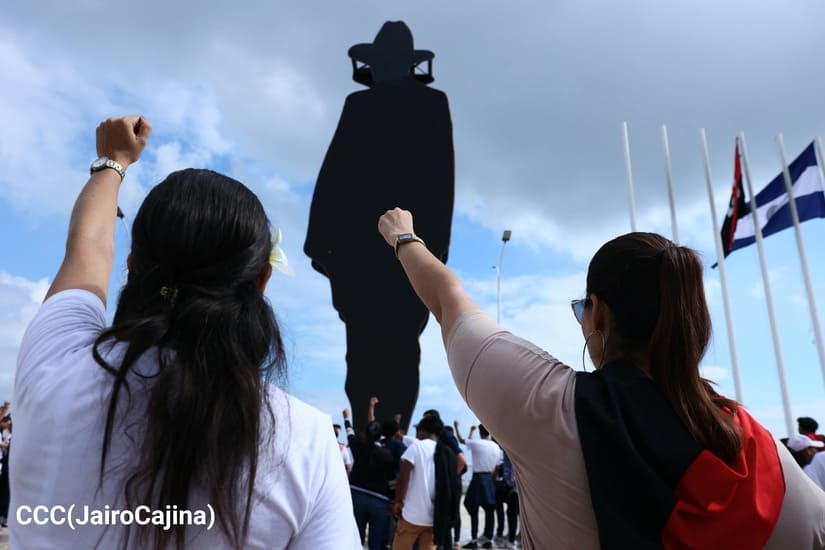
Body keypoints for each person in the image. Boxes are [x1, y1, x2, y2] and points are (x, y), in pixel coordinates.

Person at [377, 208, 825, 549]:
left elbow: (447, 299)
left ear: (600, 315)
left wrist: (403, 237)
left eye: (582, 309)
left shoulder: (550, 408)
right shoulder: (760, 452)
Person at [11, 116, 360, 549]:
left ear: (132, 265)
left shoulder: (55, 363)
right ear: (262, 281)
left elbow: (88, 246)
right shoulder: (305, 440)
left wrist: (113, 161)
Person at [304, 20, 454, 432]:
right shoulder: (366, 104)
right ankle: (378, 436)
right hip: (379, 253)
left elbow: (439, 180)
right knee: (378, 350)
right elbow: (336, 174)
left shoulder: (421, 104)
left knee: (385, 349)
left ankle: (386, 435)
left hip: (389, 251)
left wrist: (323, 244)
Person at [343, 407, 395, 550]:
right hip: (380, 500)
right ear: (380, 436)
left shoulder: (358, 447)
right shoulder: (387, 455)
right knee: (376, 542)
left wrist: (346, 419)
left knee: (354, 538)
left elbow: (350, 434)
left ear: (365, 433)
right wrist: (393, 499)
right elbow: (391, 481)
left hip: (356, 495)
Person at [391, 414, 443, 549]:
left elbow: (404, 478)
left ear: (422, 431)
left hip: (411, 515)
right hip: (433, 517)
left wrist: (398, 501)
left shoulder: (416, 447)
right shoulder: (444, 451)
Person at [454, 424, 501, 548]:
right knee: (490, 511)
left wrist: (457, 427)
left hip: (478, 479)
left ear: (480, 433)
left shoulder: (477, 443)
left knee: (473, 509)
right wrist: (492, 481)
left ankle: (474, 540)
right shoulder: (496, 446)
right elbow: (497, 468)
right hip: (490, 479)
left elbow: (462, 441)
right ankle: (489, 540)